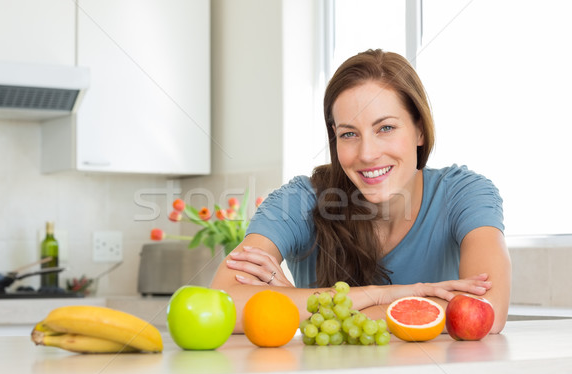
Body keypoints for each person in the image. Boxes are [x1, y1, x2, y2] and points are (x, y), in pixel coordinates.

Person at [210, 49, 511, 334]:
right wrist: (380, 295)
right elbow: (222, 303)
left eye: (386, 128)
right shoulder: (298, 200)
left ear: (419, 130)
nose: (367, 154)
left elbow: (484, 311)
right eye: (349, 134)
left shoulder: (464, 194)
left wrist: (305, 305)